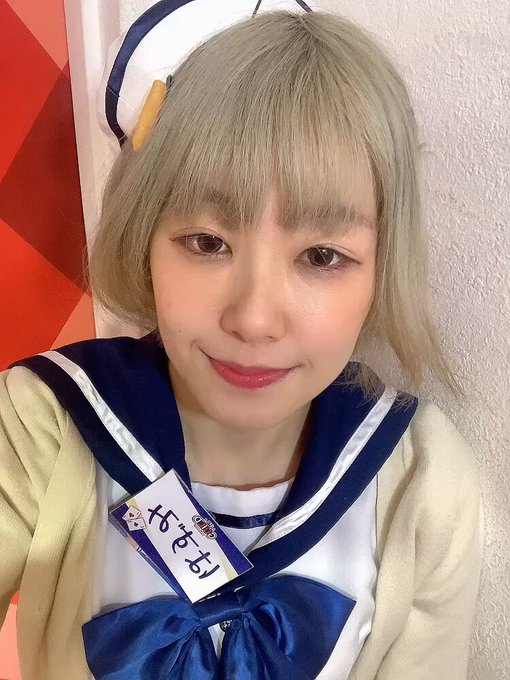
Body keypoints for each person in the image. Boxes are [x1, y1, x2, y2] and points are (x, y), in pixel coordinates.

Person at [0, 3, 483, 679]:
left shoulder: (421, 484)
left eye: (321, 256)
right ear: (144, 239)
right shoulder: (41, 427)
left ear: (381, 268)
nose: (254, 319)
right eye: (207, 242)